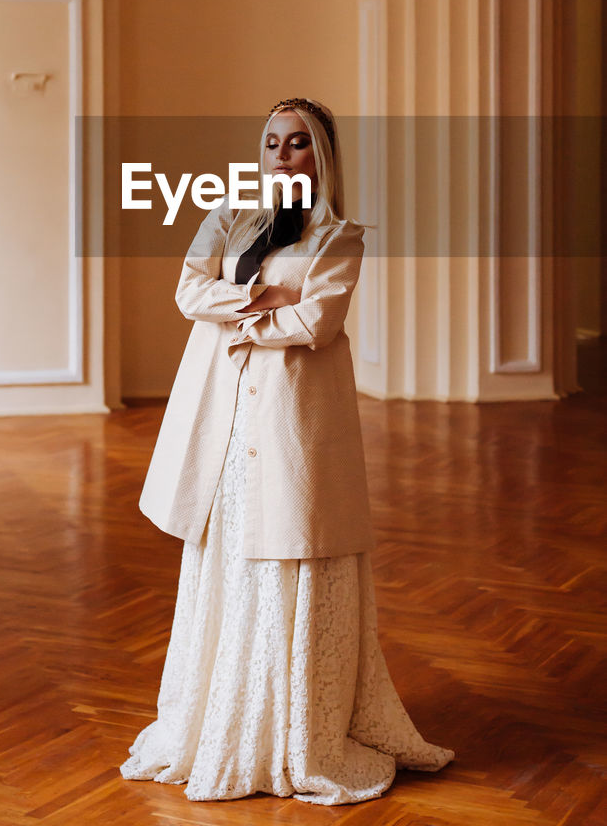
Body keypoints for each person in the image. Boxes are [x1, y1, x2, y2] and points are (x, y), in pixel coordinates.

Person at [119, 98, 454, 805]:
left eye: (297, 142)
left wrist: (239, 313)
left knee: (293, 542)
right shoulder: (226, 219)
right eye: (271, 141)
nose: (280, 153)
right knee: (229, 551)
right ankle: (222, 713)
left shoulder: (340, 238)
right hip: (223, 415)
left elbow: (318, 322)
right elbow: (188, 291)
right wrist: (259, 296)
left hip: (294, 416)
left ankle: (294, 726)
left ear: (320, 155)